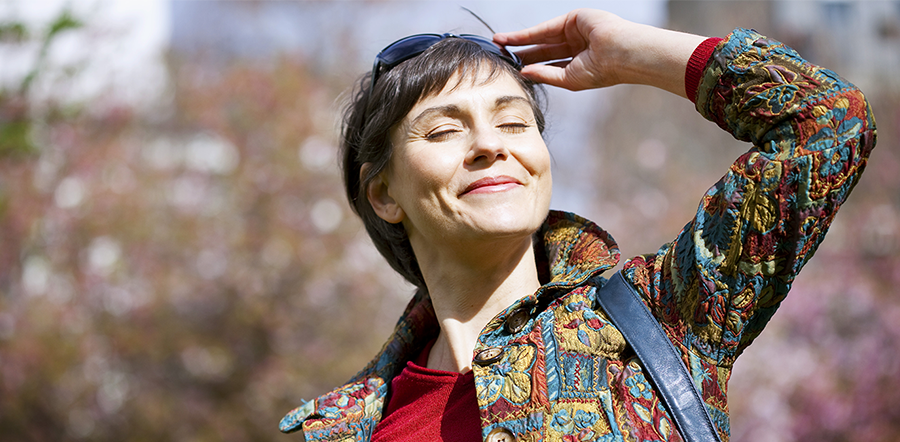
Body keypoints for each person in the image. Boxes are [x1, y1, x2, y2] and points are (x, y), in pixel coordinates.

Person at [279, 8, 876, 442]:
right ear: (383, 193)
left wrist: (637, 55)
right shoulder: (349, 425)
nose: (490, 145)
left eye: (514, 123)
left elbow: (828, 122)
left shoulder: (663, 314)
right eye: (444, 130)